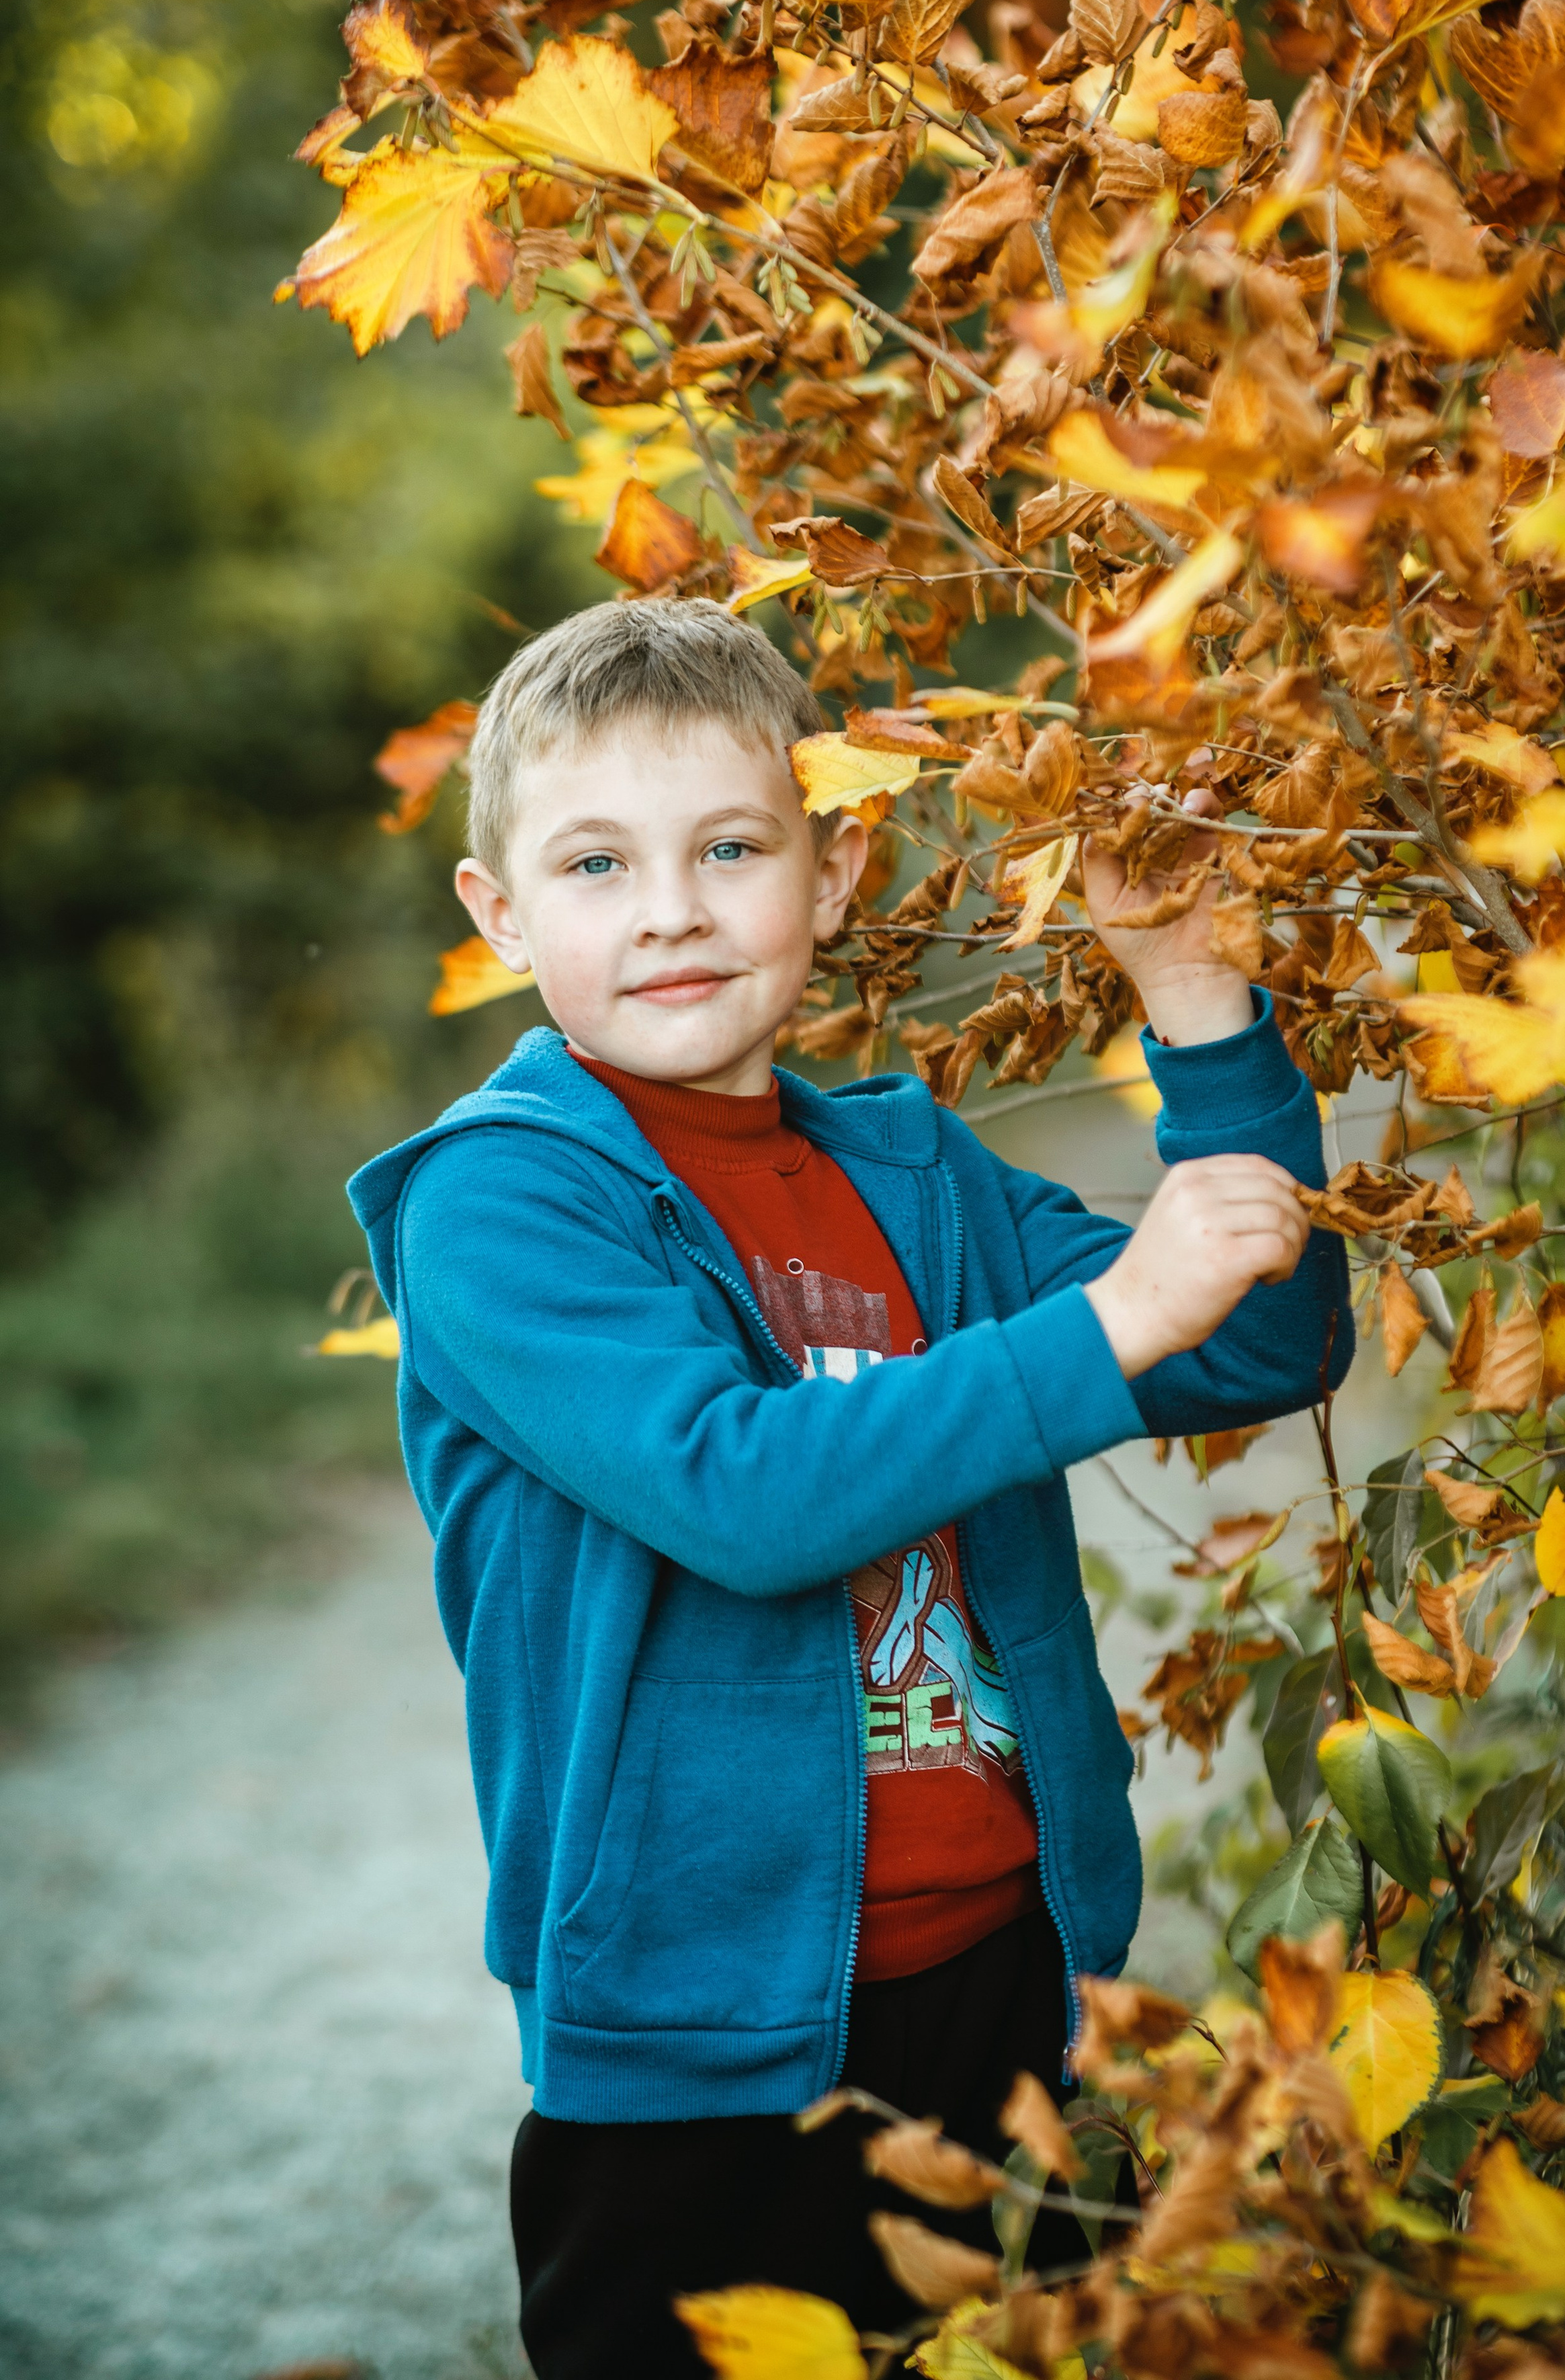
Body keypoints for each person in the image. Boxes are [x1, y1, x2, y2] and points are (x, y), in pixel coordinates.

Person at [348, 598, 1351, 2378]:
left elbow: (1259, 1348)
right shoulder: (498, 1207)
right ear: (501, 917)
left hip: (1002, 1980)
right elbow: (744, 1496)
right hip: (692, 2022)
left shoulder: (920, 1179)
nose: (669, 907)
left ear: (833, 867)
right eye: (595, 863)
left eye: (731, 846)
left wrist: (1197, 1007)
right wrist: (1115, 1314)